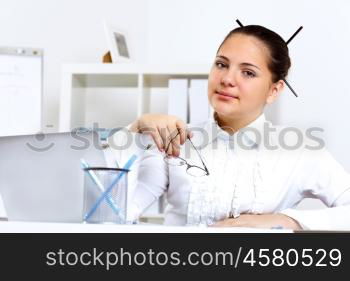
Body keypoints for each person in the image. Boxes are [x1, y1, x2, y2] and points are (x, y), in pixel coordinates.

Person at [125, 25, 350, 230]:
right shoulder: (176, 140)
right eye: (221, 64)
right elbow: (116, 212)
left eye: (248, 72)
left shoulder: (299, 150)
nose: (227, 79)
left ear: (274, 90)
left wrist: (288, 220)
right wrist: (135, 131)